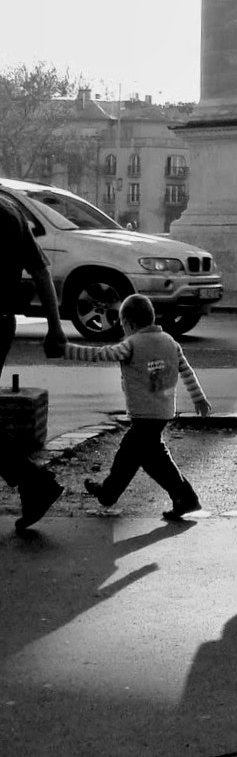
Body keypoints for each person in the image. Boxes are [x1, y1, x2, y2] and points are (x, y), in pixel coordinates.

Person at [65, 294, 210, 519]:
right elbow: (186, 371)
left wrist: (66, 350)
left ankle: (181, 497)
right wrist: (198, 398)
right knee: (145, 457)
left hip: (144, 414)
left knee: (135, 456)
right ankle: (114, 493)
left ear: (129, 323)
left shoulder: (131, 344)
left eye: (123, 325)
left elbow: (100, 354)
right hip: (162, 411)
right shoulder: (171, 342)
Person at [1, 189, 68, 529]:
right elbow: (41, 271)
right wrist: (54, 328)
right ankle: (32, 481)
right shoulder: (10, 210)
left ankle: (33, 480)